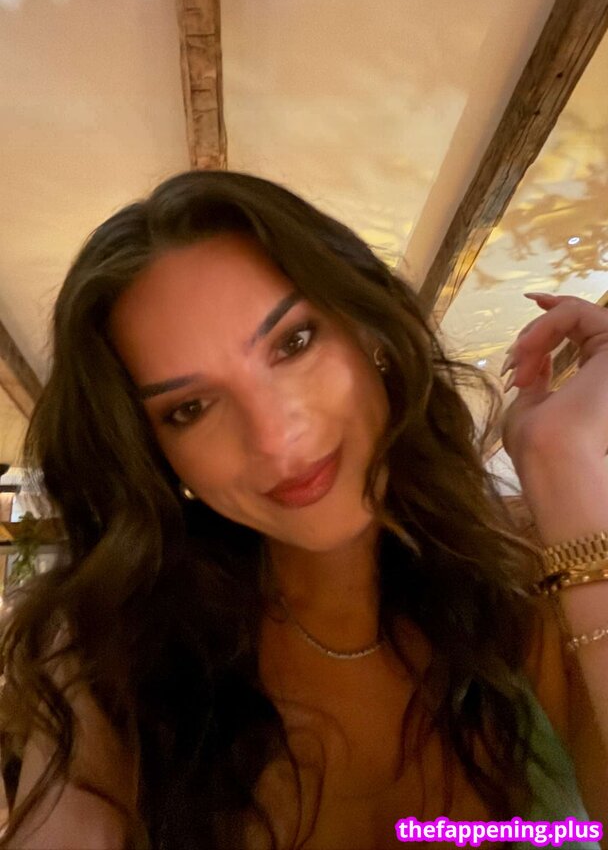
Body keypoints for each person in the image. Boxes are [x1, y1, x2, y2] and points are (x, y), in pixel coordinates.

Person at [0, 169, 607, 850]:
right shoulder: (112, 652)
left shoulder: (543, 573)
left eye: (292, 343)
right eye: (190, 408)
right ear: (157, 454)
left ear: (370, 331)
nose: (275, 439)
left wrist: (563, 465)